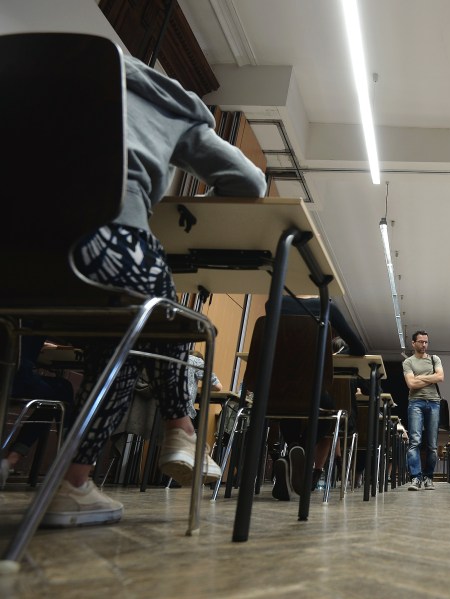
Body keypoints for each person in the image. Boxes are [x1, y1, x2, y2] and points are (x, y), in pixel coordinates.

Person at [41, 54, 267, 528]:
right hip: (106, 248)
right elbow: (249, 182)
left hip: (18, 259)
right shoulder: (168, 104)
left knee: (140, 319)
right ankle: (172, 433)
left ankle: (170, 434)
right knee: (148, 320)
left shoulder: (32, 69)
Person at [268, 295, 367, 501]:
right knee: (328, 412)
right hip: (312, 389)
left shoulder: (274, 303)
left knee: (289, 405)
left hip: (274, 389)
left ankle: (292, 451)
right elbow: (359, 349)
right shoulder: (327, 306)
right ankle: (298, 452)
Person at [1, 337, 75, 488]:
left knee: (55, 395)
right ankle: (73, 456)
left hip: (8, 372)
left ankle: (10, 461)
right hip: (14, 379)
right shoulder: (33, 321)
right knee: (61, 390)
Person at [403, 330, 443, 490]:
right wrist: (429, 378)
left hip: (434, 402)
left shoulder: (434, 359)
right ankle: (415, 478)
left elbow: (440, 377)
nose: (424, 344)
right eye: (420, 342)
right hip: (415, 402)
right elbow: (411, 385)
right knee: (415, 442)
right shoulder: (408, 362)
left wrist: (419, 378)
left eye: (426, 342)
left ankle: (428, 477)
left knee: (432, 445)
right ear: (413, 343)